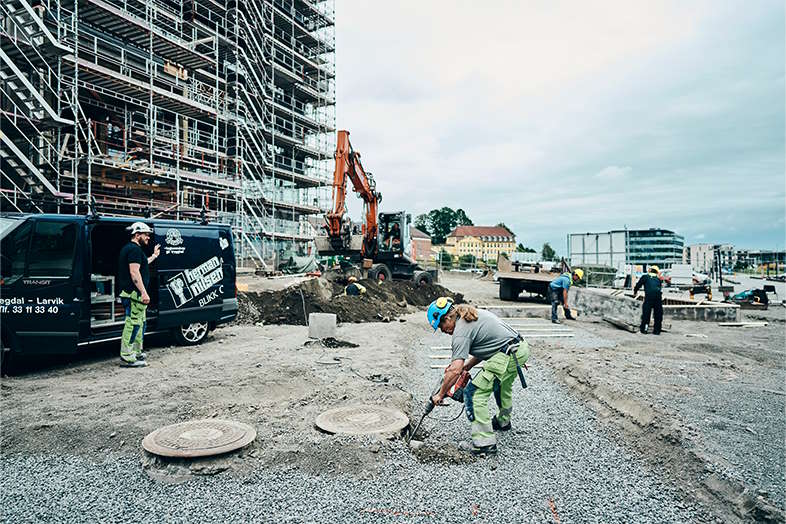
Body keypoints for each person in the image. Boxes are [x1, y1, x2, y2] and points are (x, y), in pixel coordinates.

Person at [426, 297, 529, 455]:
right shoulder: (471, 315)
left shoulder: (460, 331)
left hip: (506, 355)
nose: (443, 330)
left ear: (447, 318)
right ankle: (503, 421)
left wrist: (440, 394)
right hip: (519, 349)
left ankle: (484, 444)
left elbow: (454, 370)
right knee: (501, 386)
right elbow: (487, 344)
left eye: (441, 326)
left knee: (473, 394)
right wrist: (468, 365)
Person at [117, 222, 160, 367]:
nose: (148, 237)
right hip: (133, 295)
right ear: (137, 235)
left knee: (140, 324)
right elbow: (134, 272)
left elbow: (141, 264)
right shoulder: (134, 250)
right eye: (145, 234)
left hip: (134, 295)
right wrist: (143, 292)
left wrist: (154, 256)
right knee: (133, 324)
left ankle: (135, 352)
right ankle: (127, 356)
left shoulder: (133, 250)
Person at [634, 265, 663, 335]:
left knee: (646, 314)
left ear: (650, 270)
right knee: (658, 314)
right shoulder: (658, 280)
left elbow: (638, 285)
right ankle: (657, 331)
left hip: (649, 297)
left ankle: (644, 329)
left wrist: (635, 291)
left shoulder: (645, 277)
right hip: (658, 298)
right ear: (657, 272)